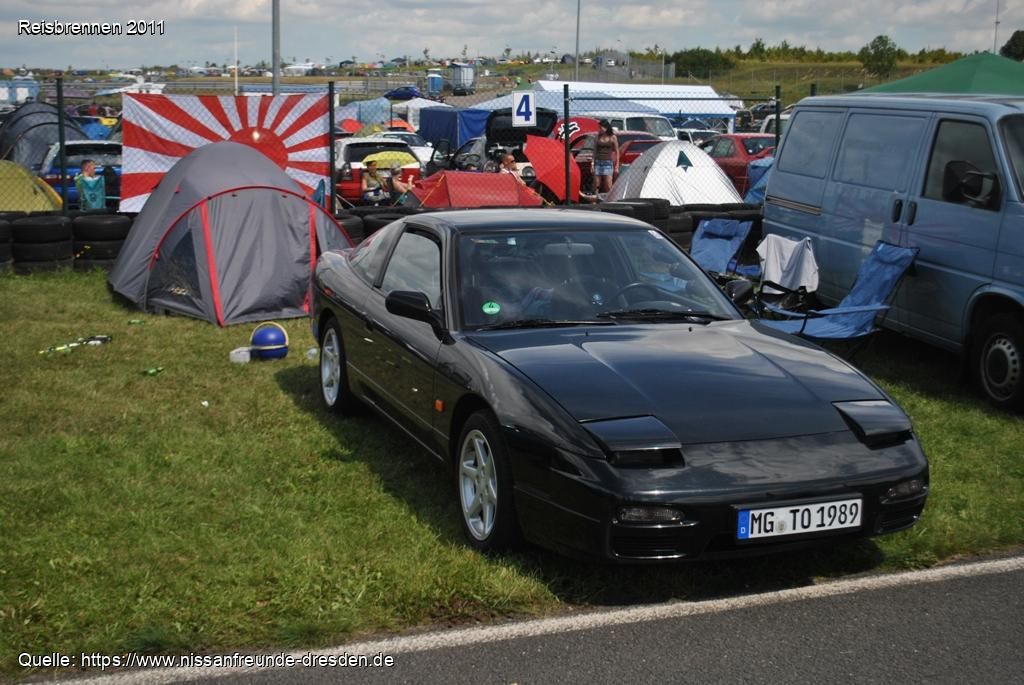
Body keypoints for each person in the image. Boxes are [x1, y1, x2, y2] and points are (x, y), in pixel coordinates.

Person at [594, 119, 619, 195]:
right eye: (599, 128)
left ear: (606, 127)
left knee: (608, 185)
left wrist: (617, 165)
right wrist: (592, 163)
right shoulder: (597, 136)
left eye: (601, 127)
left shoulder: (613, 137)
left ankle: (609, 199)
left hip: (607, 163)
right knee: (596, 184)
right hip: (598, 162)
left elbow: (617, 151)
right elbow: (594, 151)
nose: (600, 129)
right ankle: (596, 199)